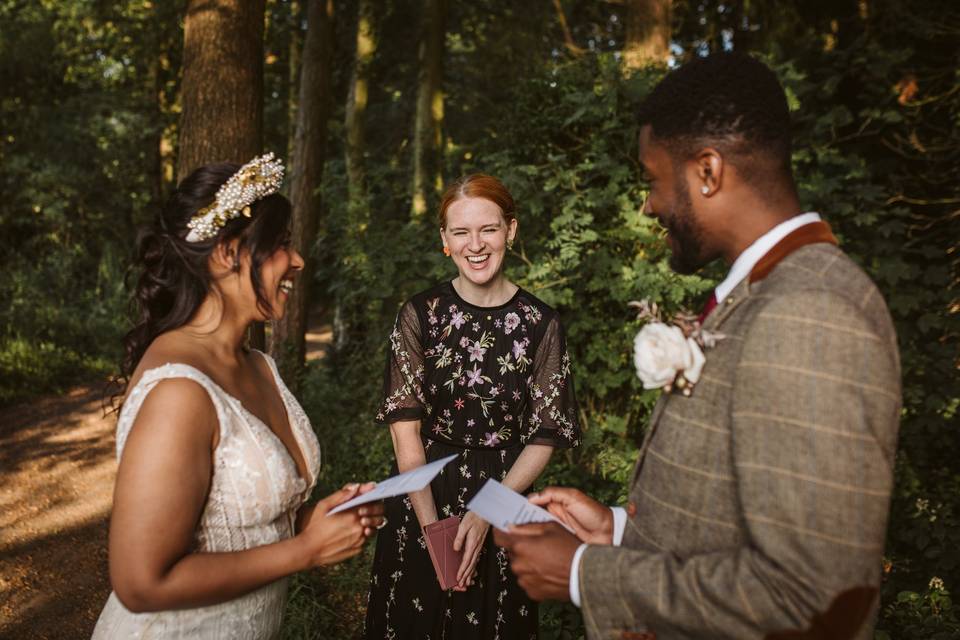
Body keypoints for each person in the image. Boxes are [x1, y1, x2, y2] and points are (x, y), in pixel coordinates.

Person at [495, 52, 901, 640]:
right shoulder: (765, 293)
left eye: (654, 180)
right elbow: (733, 523)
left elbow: (815, 600)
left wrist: (587, 574)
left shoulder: (813, 313)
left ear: (707, 171)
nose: (648, 204)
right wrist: (620, 532)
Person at [92, 154, 384, 638]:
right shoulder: (179, 391)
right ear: (228, 253)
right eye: (281, 245)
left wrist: (317, 519)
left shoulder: (257, 365)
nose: (297, 260)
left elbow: (247, 525)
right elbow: (140, 582)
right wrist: (306, 551)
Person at [363, 174, 582, 639]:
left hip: (503, 496)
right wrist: (435, 533)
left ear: (511, 231)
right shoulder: (419, 315)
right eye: (461, 231)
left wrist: (487, 511)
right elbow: (406, 433)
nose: (475, 244)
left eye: (489, 229)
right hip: (424, 495)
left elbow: (545, 434)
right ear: (445, 239)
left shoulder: (542, 324)